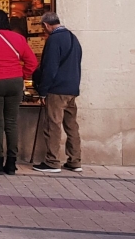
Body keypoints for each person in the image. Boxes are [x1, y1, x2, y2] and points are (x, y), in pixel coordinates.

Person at [0, 10, 38, 176]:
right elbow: (32, 62)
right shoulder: (18, 38)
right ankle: (11, 163)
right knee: (11, 122)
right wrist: (21, 74)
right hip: (14, 82)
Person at [33, 12, 83, 173]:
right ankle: (75, 160)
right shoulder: (73, 38)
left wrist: (42, 90)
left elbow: (49, 68)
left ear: (46, 25)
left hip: (57, 89)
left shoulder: (54, 40)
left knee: (53, 125)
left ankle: (52, 161)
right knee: (71, 125)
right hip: (72, 88)